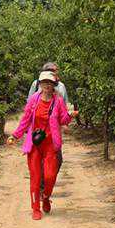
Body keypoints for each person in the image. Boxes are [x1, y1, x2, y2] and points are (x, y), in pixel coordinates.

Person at [9, 71, 76, 220]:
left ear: (54, 85)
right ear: (40, 84)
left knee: (50, 176)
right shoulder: (34, 99)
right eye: (44, 82)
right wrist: (15, 135)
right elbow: (25, 119)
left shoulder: (58, 101)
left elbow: (63, 120)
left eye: (49, 82)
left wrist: (70, 116)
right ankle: (35, 208)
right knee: (35, 177)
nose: (47, 85)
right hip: (35, 144)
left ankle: (45, 196)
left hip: (51, 144)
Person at [28, 61, 72, 172]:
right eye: (52, 71)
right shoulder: (36, 84)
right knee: (39, 156)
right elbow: (29, 103)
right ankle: (42, 179)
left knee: (57, 158)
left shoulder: (61, 86)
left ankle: (48, 177)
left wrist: (65, 123)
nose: (54, 73)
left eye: (55, 71)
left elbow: (65, 105)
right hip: (38, 126)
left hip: (54, 127)